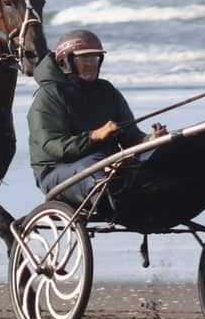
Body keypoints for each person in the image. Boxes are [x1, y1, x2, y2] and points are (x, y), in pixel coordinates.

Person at [27, 29, 166, 205]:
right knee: (95, 164)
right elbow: (54, 147)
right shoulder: (49, 96)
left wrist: (150, 140)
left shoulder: (107, 91)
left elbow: (131, 138)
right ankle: (111, 202)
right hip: (56, 172)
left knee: (159, 155)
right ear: (66, 62)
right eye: (83, 59)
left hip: (104, 164)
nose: (90, 64)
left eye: (94, 59)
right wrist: (94, 136)